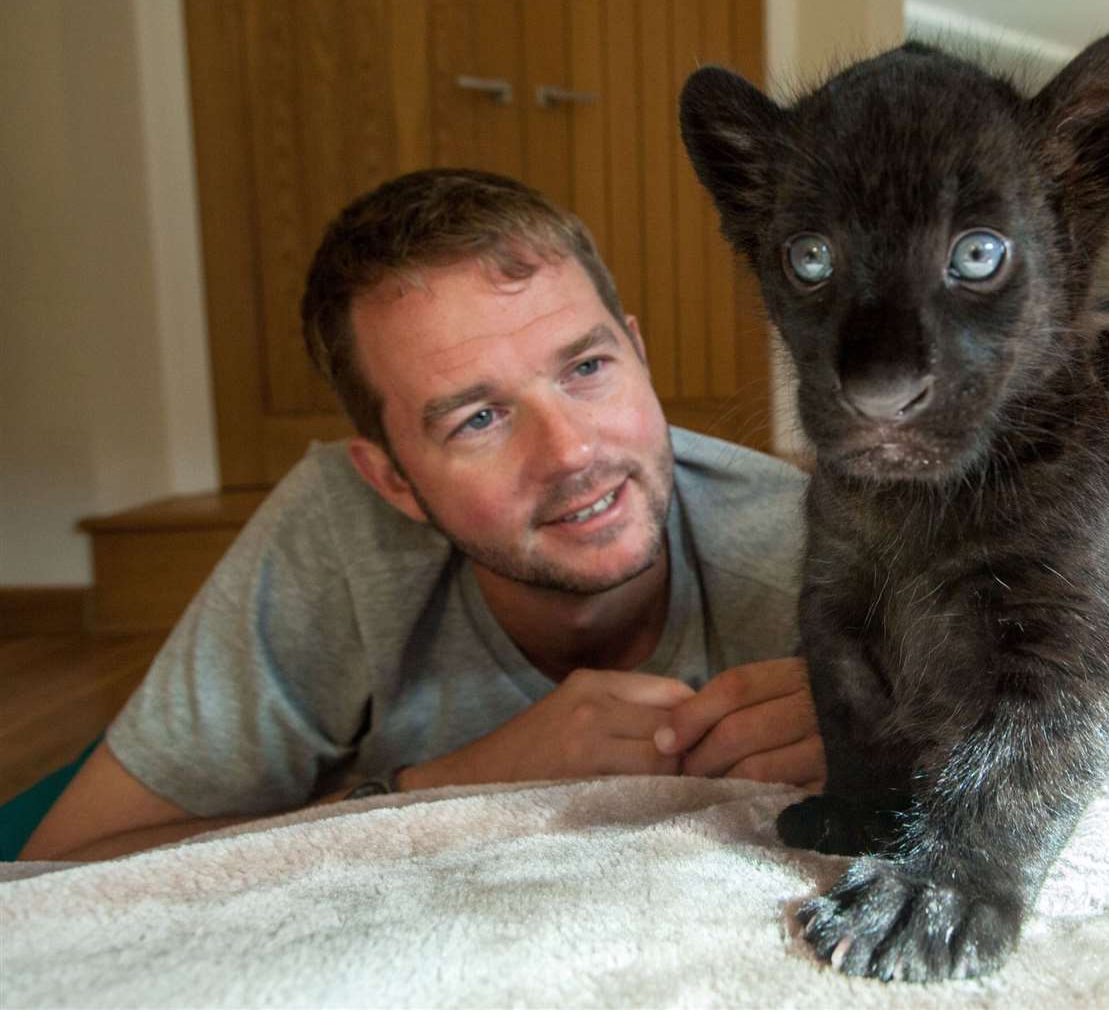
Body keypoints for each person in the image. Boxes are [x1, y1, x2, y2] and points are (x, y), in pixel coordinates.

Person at [21, 169, 822, 861]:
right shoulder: (338, 532)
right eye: (477, 419)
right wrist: (457, 786)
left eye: (586, 367)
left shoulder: (810, 546)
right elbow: (64, 867)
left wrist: (882, 753)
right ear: (392, 478)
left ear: (638, 357)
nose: (572, 452)